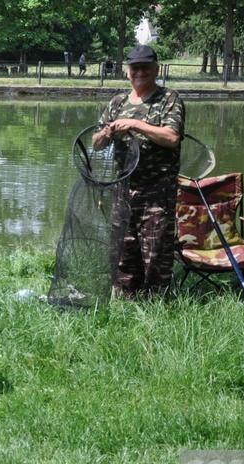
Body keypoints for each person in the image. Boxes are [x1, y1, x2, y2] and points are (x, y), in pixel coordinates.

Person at [92, 45, 185, 298]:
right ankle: (125, 300)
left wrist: (136, 124)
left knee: (156, 250)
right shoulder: (117, 102)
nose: (140, 72)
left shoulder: (169, 99)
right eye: (135, 68)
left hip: (157, 189)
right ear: (127, 72)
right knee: (123, 248)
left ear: (155, 69)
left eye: (145, 67)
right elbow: (96, 144)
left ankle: (157, 303)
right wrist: (106, 133)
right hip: (123, 188)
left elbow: (172, 137)